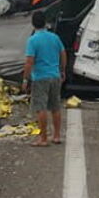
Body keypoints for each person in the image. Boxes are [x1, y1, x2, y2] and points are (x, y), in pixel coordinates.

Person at [22, 11, 67, 146]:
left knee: (41, 108)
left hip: (40, 77)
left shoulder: (32, 40)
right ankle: (57, 136)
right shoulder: (55, 37)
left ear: (33, 24)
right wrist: (62, 70)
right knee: (55, 107)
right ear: (45, 22)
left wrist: (25, 79)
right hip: (55, 76)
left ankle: (43, 138)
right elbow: (63, 54)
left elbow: (29, 62)